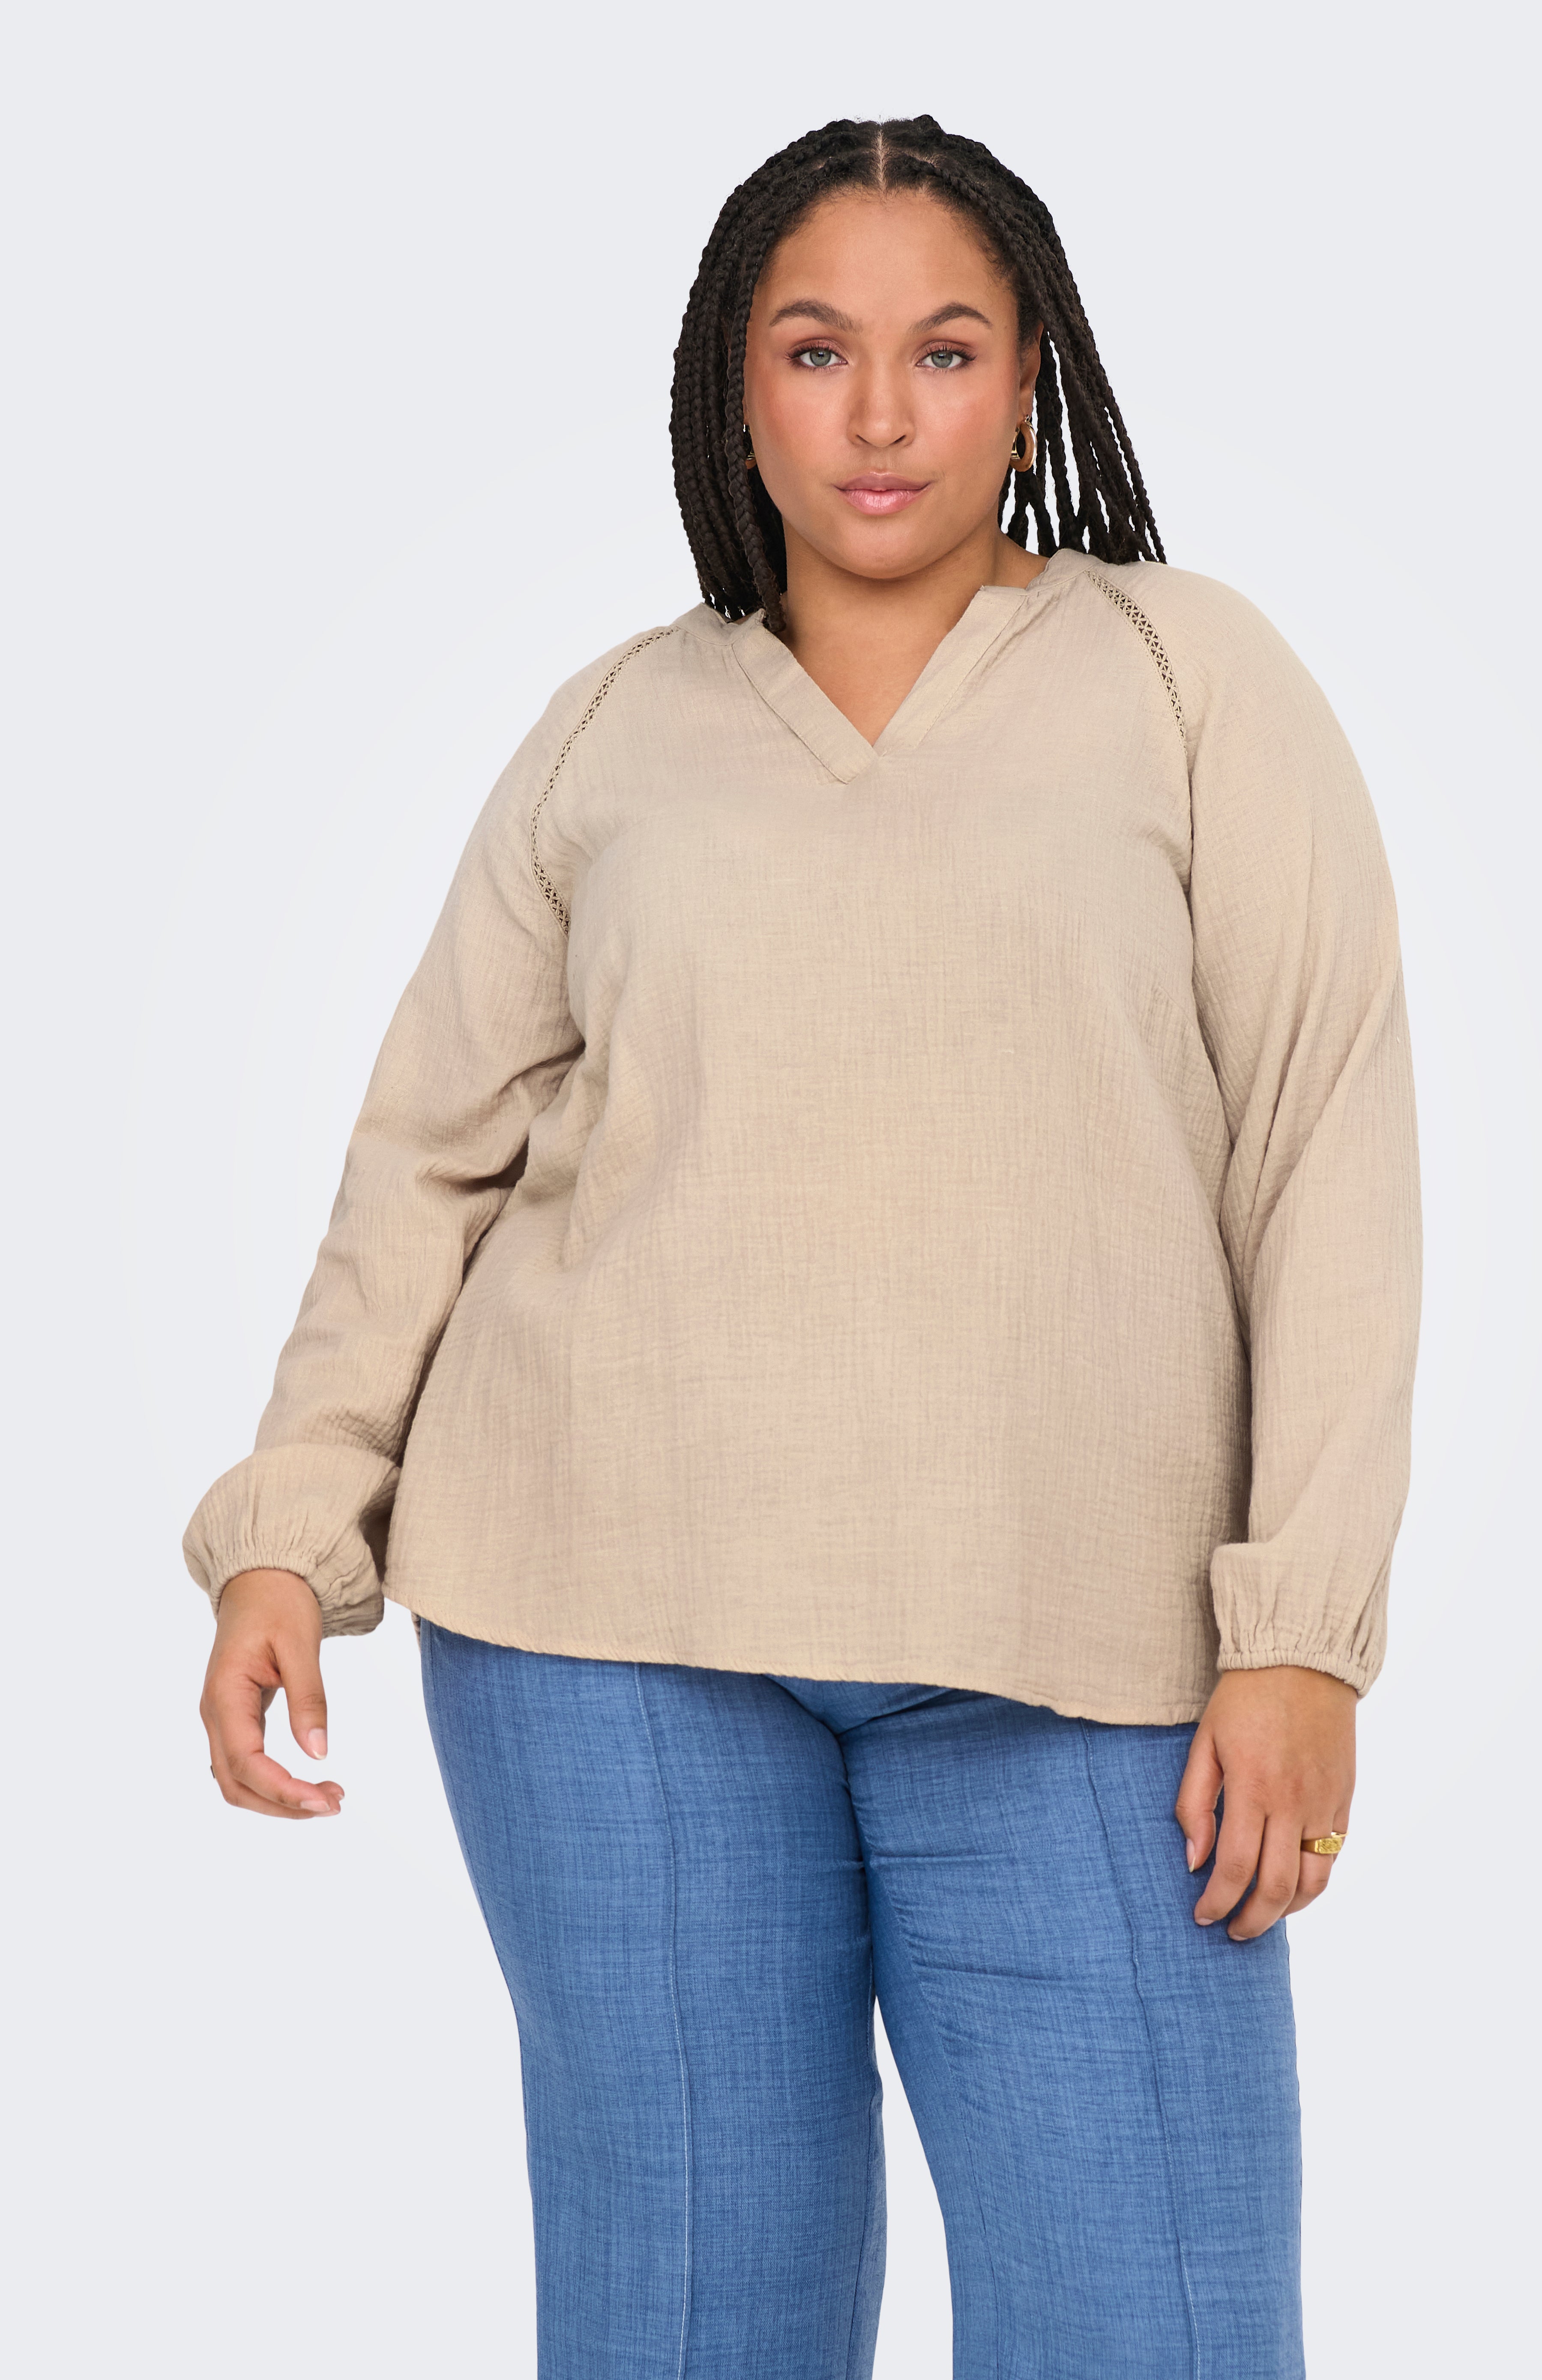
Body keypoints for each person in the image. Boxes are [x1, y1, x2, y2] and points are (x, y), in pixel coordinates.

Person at [186, 114, 1422, 2380]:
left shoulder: (1186, 679)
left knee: (1153, 2324)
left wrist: (1303, 1637)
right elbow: (427, 1157)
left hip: (1086, 1644)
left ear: (1027, 380)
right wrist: (290, 1528)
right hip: (605, 1629)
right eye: (817, 349)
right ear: (732, 386)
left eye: (943, 351)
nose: (878, 414)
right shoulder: (613, 728)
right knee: (683, 2330)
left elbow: (1323, 1148)